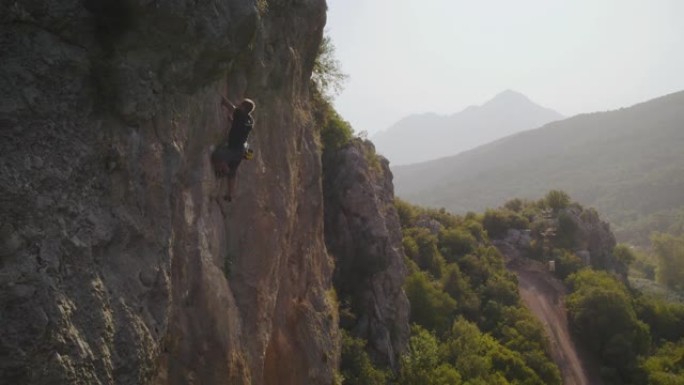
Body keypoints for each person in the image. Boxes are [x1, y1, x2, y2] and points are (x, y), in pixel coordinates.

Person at [211, 95, 256, 202]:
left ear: (244, 108)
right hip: (242, 150)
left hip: (234, 149)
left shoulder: (240, 114)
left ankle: (225, 171)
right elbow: (240, 127)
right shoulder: (249, 120)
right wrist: (232, 121)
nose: (239, 105)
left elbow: (231, 107)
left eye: (241, 105)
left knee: (217, 155)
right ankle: (230, 194)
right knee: (234, 171)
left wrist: (223, 99)